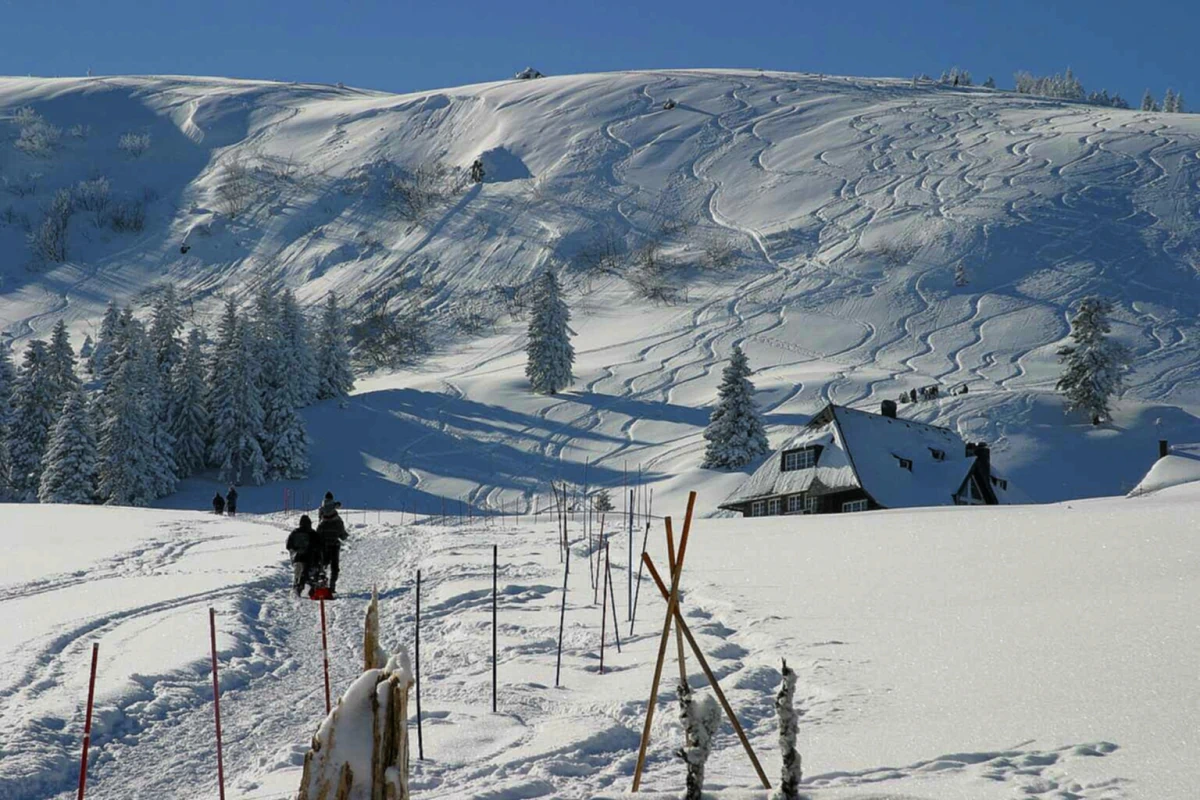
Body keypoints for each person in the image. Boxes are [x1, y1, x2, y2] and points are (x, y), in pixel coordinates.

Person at [316, 492, 348, 595]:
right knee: (335, 566)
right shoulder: (337, 519)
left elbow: (318, 532)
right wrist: (343, 535)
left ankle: (321, 583)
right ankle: (332, 586)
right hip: (334, 544)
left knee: (322, 564)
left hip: (323, 544)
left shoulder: (322, 509)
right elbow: (342, 534)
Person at [286, 515, 319, 597]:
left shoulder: (295, 532)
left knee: (298, 572)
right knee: (311, 573)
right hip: (310, 558)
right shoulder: (313, 533)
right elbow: (320, 545)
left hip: (297, 557)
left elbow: (288, 545)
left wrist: (296, 550)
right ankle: (312, 587)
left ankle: (297, 587)